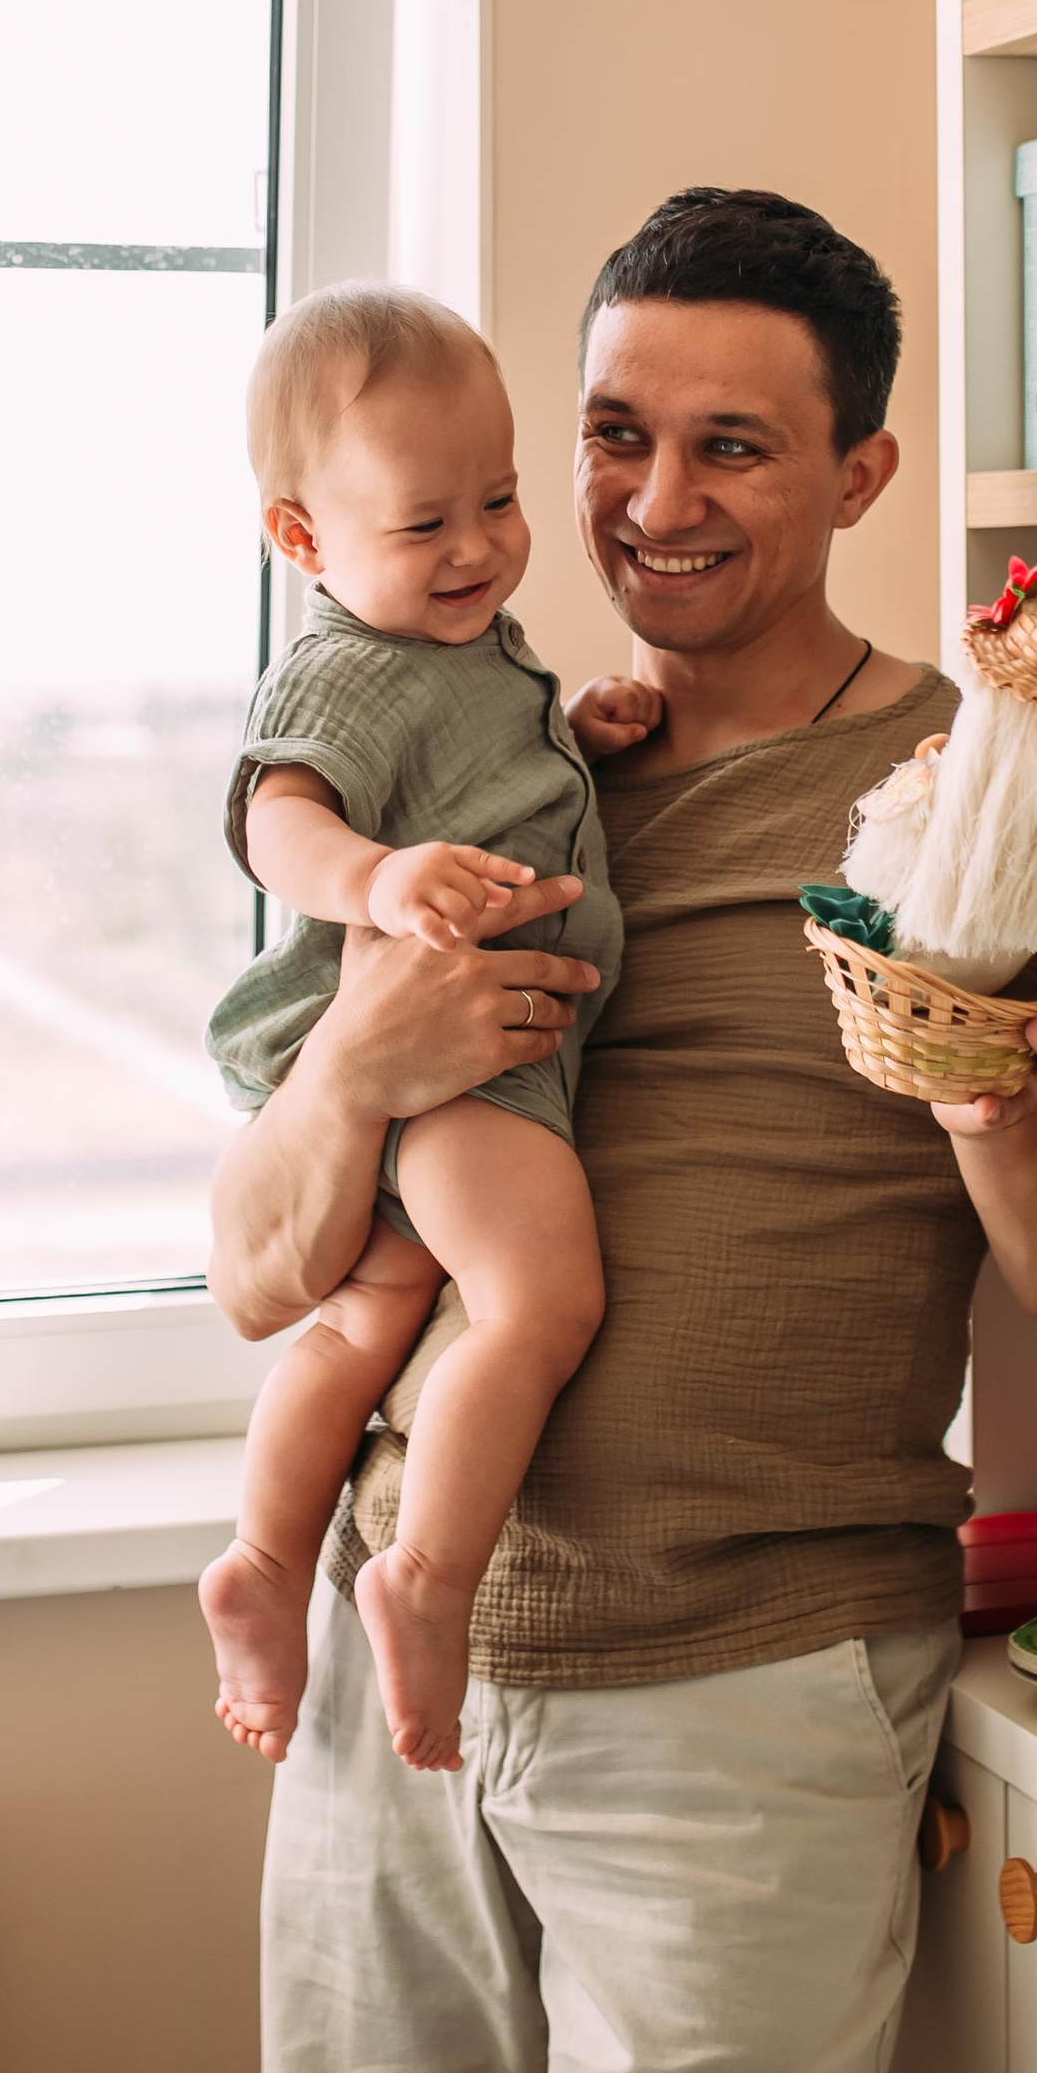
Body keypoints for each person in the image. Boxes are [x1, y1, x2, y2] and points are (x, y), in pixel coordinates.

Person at [210, 189, 1037, 2073]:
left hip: (738, 1699)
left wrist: (978, 1092)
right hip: (404, 1676)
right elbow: (262, 1272)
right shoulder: (496, 766)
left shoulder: (994, 806)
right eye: (613, 435)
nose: (652, 504)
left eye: (734, 447)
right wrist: (359, 1061)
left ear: (860, 471)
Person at [197, 287, 637, 1772]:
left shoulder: (461, 651)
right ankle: (430, 1575)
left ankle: (264, 1561)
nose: (477, 547)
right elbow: (275, 818)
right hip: (464, 1070)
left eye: (502, 501)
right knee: (536, 1304)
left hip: (423, 1076)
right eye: (424, 523)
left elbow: (484, 777)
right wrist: (375, 880)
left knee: (368, 1316)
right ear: (305, 540)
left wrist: (585, 737)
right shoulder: (348, 666)